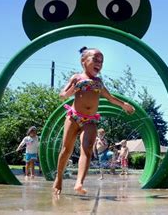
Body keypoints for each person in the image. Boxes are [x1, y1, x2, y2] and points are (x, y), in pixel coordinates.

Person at [52, 47, 135, 195]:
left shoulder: (99, 83)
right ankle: (58, 178)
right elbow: (62, 95)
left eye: (101, 61)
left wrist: (123, 105)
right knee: (66, 150)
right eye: (95, 59)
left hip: (90, 120)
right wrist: (71, 90)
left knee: (88, 149)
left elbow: (110, 98)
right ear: (83, 61)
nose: (99, 63)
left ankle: (79, 182)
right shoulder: (77, 78)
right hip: (74, 117)